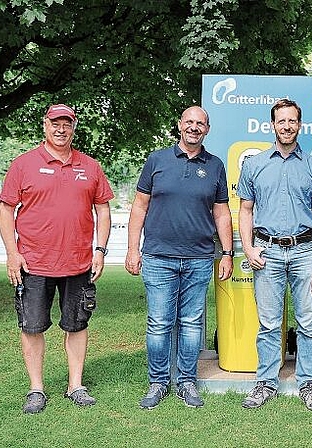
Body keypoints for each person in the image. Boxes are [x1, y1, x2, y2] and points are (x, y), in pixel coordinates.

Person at [0, 104, 114, 413]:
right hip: (33, 263)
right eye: (55, 123)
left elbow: (103, 208)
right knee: (32, 327)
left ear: (74, 127)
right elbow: (6, 208)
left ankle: (75, 385)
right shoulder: (23, 164)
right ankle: (36, 390)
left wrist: (100, 250)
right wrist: (13, 253)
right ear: (45, 125)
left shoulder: (90, 166)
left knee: (76, 325)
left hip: (79, 263)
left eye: (67, 123)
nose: (60, 129)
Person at [126, 106, 233, 410]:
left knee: (191, 323)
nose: (194, 127)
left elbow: (221, 211)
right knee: (159, 322)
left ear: (207, 130)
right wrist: (133, 249)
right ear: (179, 125)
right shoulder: (157, 160)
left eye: (200, 124)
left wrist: (227, 253)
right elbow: (139, 207)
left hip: (199, 258)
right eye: (189, 122)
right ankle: (158, 383)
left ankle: (187, 382)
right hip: (158, 257)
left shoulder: (214, 165)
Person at [237, 99, 312, 411]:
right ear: (272, 125)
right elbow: (245, 210)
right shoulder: (254, 165)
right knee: (268, 323)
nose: (287, 126)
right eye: (281, 121)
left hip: (306, 252)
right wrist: (249, 247)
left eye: (292, 121)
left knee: (308, 322)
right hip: (267, 252)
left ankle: (308, 383)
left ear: (299, 125)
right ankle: (265, 383)